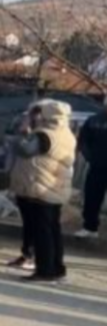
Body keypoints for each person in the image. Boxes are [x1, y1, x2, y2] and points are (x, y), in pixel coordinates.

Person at [9, 100, 77, 282]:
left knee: (42, 232)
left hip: (40, 188)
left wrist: (22, 132)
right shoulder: (67, 134)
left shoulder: (45, 135)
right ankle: (57, 268)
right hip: (54, 190)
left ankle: (45, 270)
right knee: (53, 230)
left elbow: (25, 149)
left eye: (37, 113)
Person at [75, 101, 107, 239]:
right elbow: (83, 140)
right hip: (97, 165)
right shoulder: (94, 121)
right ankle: (90, 227)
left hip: (97, 164)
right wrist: (91, 157)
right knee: (92, 197)